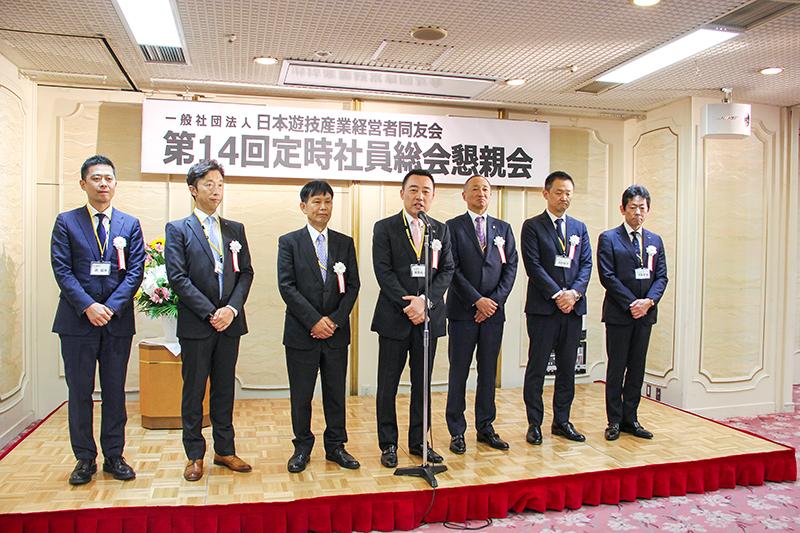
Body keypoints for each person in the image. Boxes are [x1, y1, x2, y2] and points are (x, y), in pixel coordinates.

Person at [51, 155, 145, 485]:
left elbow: (135, 272)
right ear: (83, 184)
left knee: (115, 391)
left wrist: (111, 307)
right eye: (96, 178)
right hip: (77, 322)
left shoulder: (129, 224)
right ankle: (84, 458)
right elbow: (62, 269)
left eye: (108, 178)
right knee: (80, 391)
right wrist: (89, 306)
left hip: (116, 323)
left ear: (115, 184)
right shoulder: (67, 222)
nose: (103, 184)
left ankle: (114, 456)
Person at [165, 159, 254, 482]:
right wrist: (210, 312)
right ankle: (194, 454)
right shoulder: (178, 229)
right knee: (193, 391)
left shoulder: (234, 229)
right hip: (197, 325)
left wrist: (230, 309)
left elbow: (246, 273)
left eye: (219, 184)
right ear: (193, 189)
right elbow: (177, 277)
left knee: (224, 389)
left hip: (229, 324)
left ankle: (225, 450)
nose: (216, 190)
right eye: (208, 185)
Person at [371, 168, 454, 468]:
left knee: (423, 384)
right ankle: (388, 444)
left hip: (428, 320)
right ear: (402, 193)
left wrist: (425, 303)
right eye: (414, 190)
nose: (420, 196)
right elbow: (383, 271)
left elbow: (447, 269)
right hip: (395, 317)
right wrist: (409, 304)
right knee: (388, 385)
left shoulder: (440, 230)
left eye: (426, 191)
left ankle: (419, 441)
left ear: (433, 196)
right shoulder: (385, 228)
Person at [277, 180, 361, 473]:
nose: (323, 207)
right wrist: (314, 320)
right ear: (304, 207)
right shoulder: (289, 242)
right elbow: (286, 286)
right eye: (316, 202)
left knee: (335, 393)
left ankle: (336, 446)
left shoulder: (344, 243)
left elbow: (353, 286)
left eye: (327, 201)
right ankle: (302, 446)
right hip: (302, 333)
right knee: (301, 394)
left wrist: (334, 321)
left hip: (336, 334)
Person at [445, 175, 518, 454]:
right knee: (459, 372)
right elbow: (451, 269)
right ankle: (456, 431)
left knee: (488, 373)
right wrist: (477, 301)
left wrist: (493, 303)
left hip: (493, 315)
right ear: (464, 195)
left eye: (485, 189)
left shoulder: (503, 228)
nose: (481, 193)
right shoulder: (452, 227)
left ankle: (486, 427)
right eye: (475, 189)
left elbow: (511, 267)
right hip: (463, 313)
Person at [520, 170, 592, 445]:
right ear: (546, 193)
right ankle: (534, 423)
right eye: (559, 192)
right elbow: (534, 266)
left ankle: (562, 421)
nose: (564, 198)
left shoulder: (579, 228)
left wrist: (573, 294)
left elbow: (586, 264)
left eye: (568, 193)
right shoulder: (532, 226)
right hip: (544, 310)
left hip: (572, 309)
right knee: (537, 368)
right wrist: (557, 294)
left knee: (567, 368)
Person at [597, 184, 668, 441]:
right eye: (633, 207)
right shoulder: (609, 238)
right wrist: (632, 303)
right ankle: (614, 420)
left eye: (642, 207)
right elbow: (607, 276)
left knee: (637, 368)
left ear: (648, 209)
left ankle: (631, 418)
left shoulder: (655, 240)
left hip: (645, 315)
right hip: (619, 314)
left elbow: (662, 276)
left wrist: (648, 302)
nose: (637, 212)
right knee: (617, 368)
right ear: (622, 209)